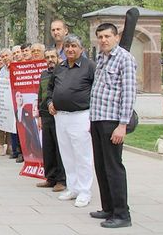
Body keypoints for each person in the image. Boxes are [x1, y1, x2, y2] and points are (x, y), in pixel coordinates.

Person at [89, 23, 136, 228]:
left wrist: (122, 125)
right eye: (100, 37)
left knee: (113, 167)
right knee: (101, 166)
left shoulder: (125, 59)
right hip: (98, 119)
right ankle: (108, 207)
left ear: (116, 37)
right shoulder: (101, 57)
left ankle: (122, 214)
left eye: (107, 36)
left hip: (112, 121)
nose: (103, 40)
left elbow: (128, 94)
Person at [48, 34, 96, 208]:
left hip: (81, 116)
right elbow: (51, 88)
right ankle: (73, 187)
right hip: (61, 116)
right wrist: (49, 102)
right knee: (67, 154)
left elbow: (97, 89)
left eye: (74, 46)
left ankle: (84, 191)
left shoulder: (89, 66)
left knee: (82, 155)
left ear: (81, 49)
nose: (70, 49)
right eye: (67, 46)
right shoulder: (59, 67)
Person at [36, 49, 66, 192]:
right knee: (48, 148)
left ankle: (61, 179)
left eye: (52, 56)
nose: (50, 59)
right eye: (47, 57)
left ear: (58, 57)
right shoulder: (43, 74)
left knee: (59, 147)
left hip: (59, 114)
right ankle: (51, 177)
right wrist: (40, 116)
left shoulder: (63, 72)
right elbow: (40, 95)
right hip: (46, 115)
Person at [0, 49, 12, 156]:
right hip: (2, 99)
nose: (5, 58)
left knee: (10, 123)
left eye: (7, 55)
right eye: (3, 56)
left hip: (12, 99)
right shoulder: (2, 70)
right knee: (0, 123)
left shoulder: (15, 67)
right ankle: (0, 145)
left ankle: (10, 146)